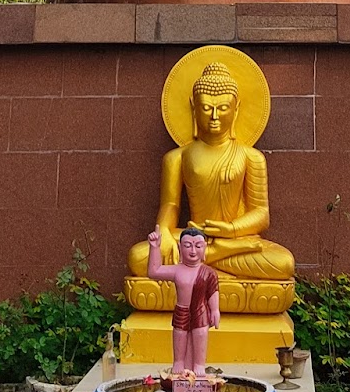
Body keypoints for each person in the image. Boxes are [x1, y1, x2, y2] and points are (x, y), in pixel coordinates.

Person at [126, 61, 294, 296]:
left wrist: (230, 230)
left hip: (235, 238)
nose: (214, 116)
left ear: (236, 108)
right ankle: (214, 256)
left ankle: (202, 261)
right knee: (138, 257)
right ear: (193, 107)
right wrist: (163, 231)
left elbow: (261, 214)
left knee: (283, 263)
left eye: (223, 108)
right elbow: (171, 205)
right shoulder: (177, 157)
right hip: (194, 238)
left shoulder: (251, 157)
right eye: (206, 108)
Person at [146, 227, 220, 374]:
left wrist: (215, 310)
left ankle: (199, 365)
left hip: (200, 310)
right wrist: (155, 247)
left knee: (200, 334)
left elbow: (213, 292)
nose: (193, 251)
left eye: (198, 246)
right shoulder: (177, 270)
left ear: (205, 247)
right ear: (179, 247)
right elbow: (154, 272)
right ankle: (178, 363)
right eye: (187, 245)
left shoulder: (209, 273)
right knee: (179, 334)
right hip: (182, 310)